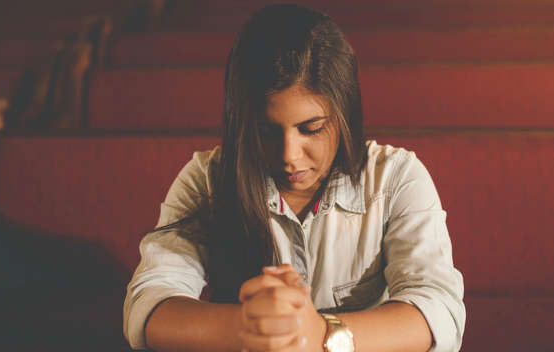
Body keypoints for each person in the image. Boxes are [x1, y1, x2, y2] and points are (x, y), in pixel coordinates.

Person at [123, 4, 465, 352]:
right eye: (266, 132)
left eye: (311, 129)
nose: (289, 155)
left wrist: (320, 334)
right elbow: (149, 304)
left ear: (344, 114)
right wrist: (250, 326)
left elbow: (439, 312)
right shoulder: (208, 178)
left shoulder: (395, 178)